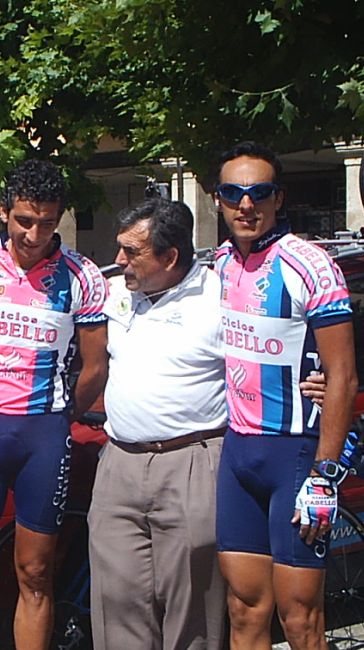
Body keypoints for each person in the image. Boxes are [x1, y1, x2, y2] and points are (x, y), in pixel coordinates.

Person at [0, 159, 109, 650]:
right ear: (3, 211)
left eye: (48, 223)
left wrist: (59, 417)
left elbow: (95, 368)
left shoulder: (81, 275)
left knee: (34, 573)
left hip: (43, 437)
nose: (35, 235)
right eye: (24, 221)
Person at [214, 142, 356, 649]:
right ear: (218, 199)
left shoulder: (310, 264)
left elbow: (343, 375)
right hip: (238, 451)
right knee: (243, 610)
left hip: (294, 454)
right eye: (233, 193)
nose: (245, 204)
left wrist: (325, 474)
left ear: (278, 198)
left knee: (300, 620)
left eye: (259, 193)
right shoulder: (219, 265)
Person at [89, 197, 228, 649]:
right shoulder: (113, 293)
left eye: (132, 252)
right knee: (116, 605)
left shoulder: (221, 296)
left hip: (191, 463)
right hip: (119, 464)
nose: (119, 260)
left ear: (170, 257)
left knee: (193, 610)